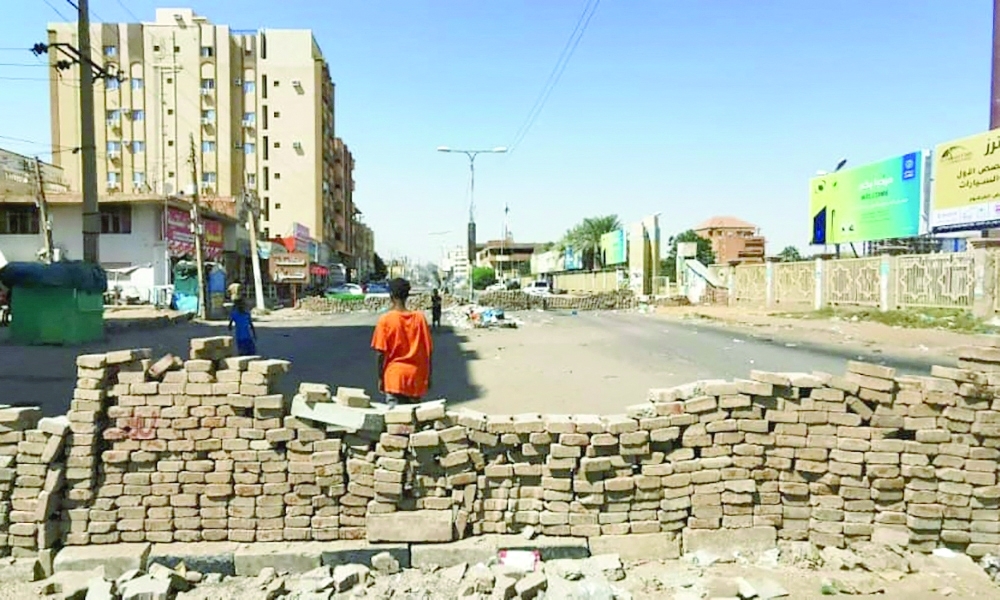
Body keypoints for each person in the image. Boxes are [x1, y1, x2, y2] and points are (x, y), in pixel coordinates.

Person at [371, 278, 433, 406]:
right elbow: (428, 352)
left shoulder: (385, 320)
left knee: (396, 421)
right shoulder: (420, 319)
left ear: (391, 296)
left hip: (394, 378)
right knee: (413, 421)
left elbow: (380, 353)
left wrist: (380, 377)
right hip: (415, 378)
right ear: (407, 296)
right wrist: (428, 376)